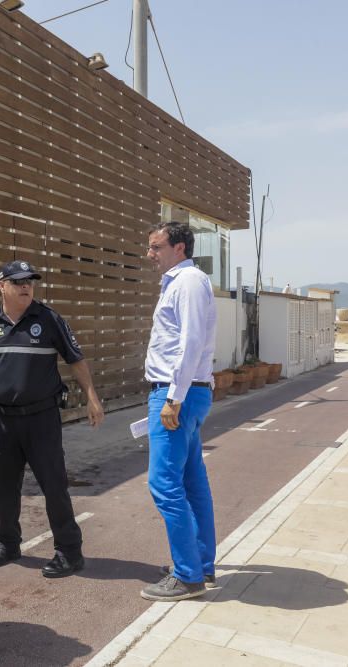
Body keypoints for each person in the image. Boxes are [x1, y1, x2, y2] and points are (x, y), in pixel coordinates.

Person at [0, 259, 104, 576]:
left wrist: (92, 397)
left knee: (54, 486)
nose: (25, 286)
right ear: (2, 285)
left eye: (29, 280)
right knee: (3, 488)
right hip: (3, 421)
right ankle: (7, 544)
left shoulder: (49, 319)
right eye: (17, 281)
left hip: (42, 419)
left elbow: (76, 359)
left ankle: (69, 552)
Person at [141, 221, 218, 601]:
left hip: (177, 395)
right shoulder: (188, 281)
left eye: (156, 247)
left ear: (179, 249)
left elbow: (190, 341)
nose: (150, 254)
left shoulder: (186, 282)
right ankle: (200, 563)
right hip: (190, 392)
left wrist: (173, 397)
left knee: (164, 484)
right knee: (192, 483)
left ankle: (188, 575)